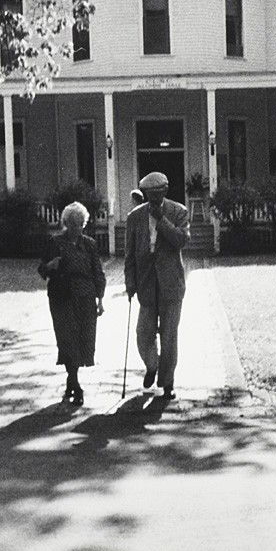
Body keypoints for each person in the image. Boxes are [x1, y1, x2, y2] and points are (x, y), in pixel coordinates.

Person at [123, 171, 191, 400]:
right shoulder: (135, 217)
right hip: (146, 284)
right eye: (148, 195)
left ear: (165, 190)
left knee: (169, 336)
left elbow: (181, 240)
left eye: (157, 194)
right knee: (143, 333)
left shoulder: (178, 211)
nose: (152, 199)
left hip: (172, 284)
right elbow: (129, 254)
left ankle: (167, 382)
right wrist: (130, 282)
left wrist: (161, 220)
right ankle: (152, 366)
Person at [38, 201, 106, 406]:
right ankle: (75, 383)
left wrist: (100, 299)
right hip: (62, 296)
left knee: (84, 338)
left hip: (86, 297)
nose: (77, 228)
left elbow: (98, 272)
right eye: (73, 224)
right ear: (66, 223)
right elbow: (42, 269)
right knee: (68, 338)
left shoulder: (90, 244)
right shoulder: (55, 242)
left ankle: (71, 379)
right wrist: (50, 265)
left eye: (80, 224)